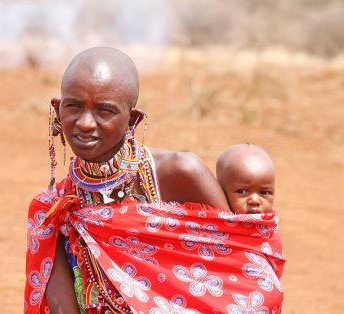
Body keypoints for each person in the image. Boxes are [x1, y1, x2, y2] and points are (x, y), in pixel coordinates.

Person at [25, 47, 284, 313]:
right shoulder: (52, 210)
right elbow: (61, 307)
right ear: (57, 110)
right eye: (74, 106)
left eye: (105, 111)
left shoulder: (180, 173)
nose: (86, 123)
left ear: (132, 120)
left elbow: (244, 274)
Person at [216, 144, 276, 215]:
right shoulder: (216, 220)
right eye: (242, 191)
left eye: (264, 193)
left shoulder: (270, 222)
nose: (254, 200)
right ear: (220, 191)